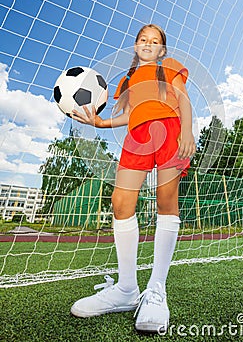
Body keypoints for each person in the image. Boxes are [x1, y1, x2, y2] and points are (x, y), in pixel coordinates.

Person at [70, 24, 195, 333]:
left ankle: (156, 290)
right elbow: (130, 114)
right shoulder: (127, 79)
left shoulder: (170, 68)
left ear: (162, 50)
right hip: (137, 137)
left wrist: (188, 131)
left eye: (155, 41)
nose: (148, 44)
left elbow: (184, 99)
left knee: (166, 201)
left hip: (171, 130)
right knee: (121, 203)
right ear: (136, 46)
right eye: (143, 39)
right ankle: (127, 289)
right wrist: (100, 123)